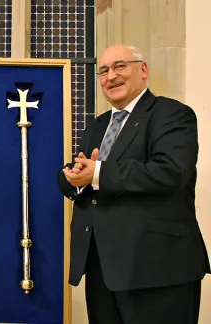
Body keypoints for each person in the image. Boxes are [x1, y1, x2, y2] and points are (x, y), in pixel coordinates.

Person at [58, 44, 210, 324]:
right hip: (102, 267)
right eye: (103, 71)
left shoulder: (172, 114)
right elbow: (85, 172)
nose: (110, 76)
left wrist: (96, 173)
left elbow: (170, 172)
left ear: (143, 70)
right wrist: (74, 177)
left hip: (157, 268)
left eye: (119, 66)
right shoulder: (97, 126)